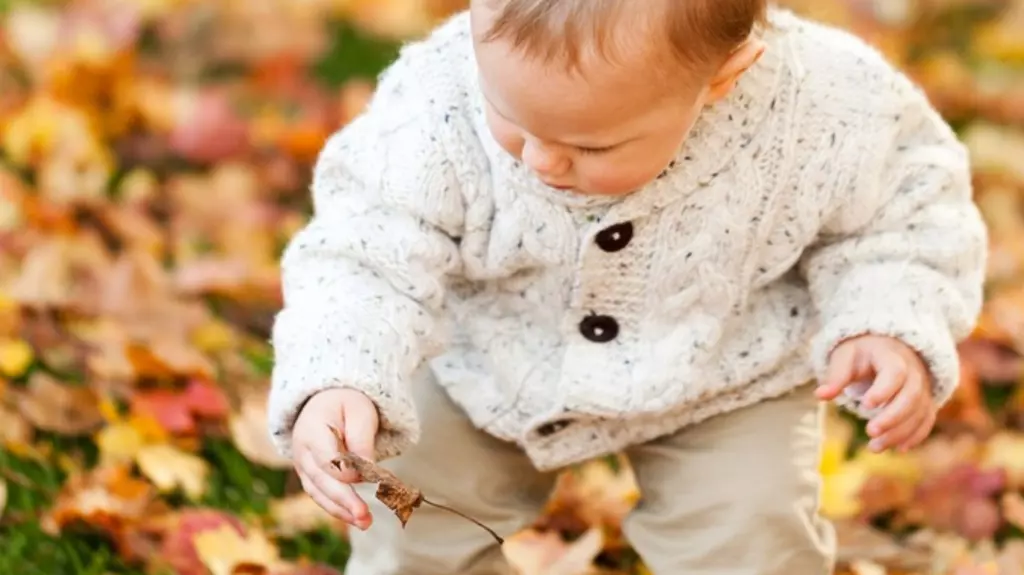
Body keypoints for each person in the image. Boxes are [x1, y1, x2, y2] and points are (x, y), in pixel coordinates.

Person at [267, 0, 988, 573]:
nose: (542, 160)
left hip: (726, 369)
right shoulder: (434, 105)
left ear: (723, 77)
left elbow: (906, 208)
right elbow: (366, 249)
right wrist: (340, 373)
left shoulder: (831, 109)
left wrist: (886, 318)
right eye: (512, 119)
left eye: (591, 144)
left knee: (753, 536)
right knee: (414, 520)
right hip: (484, 359)